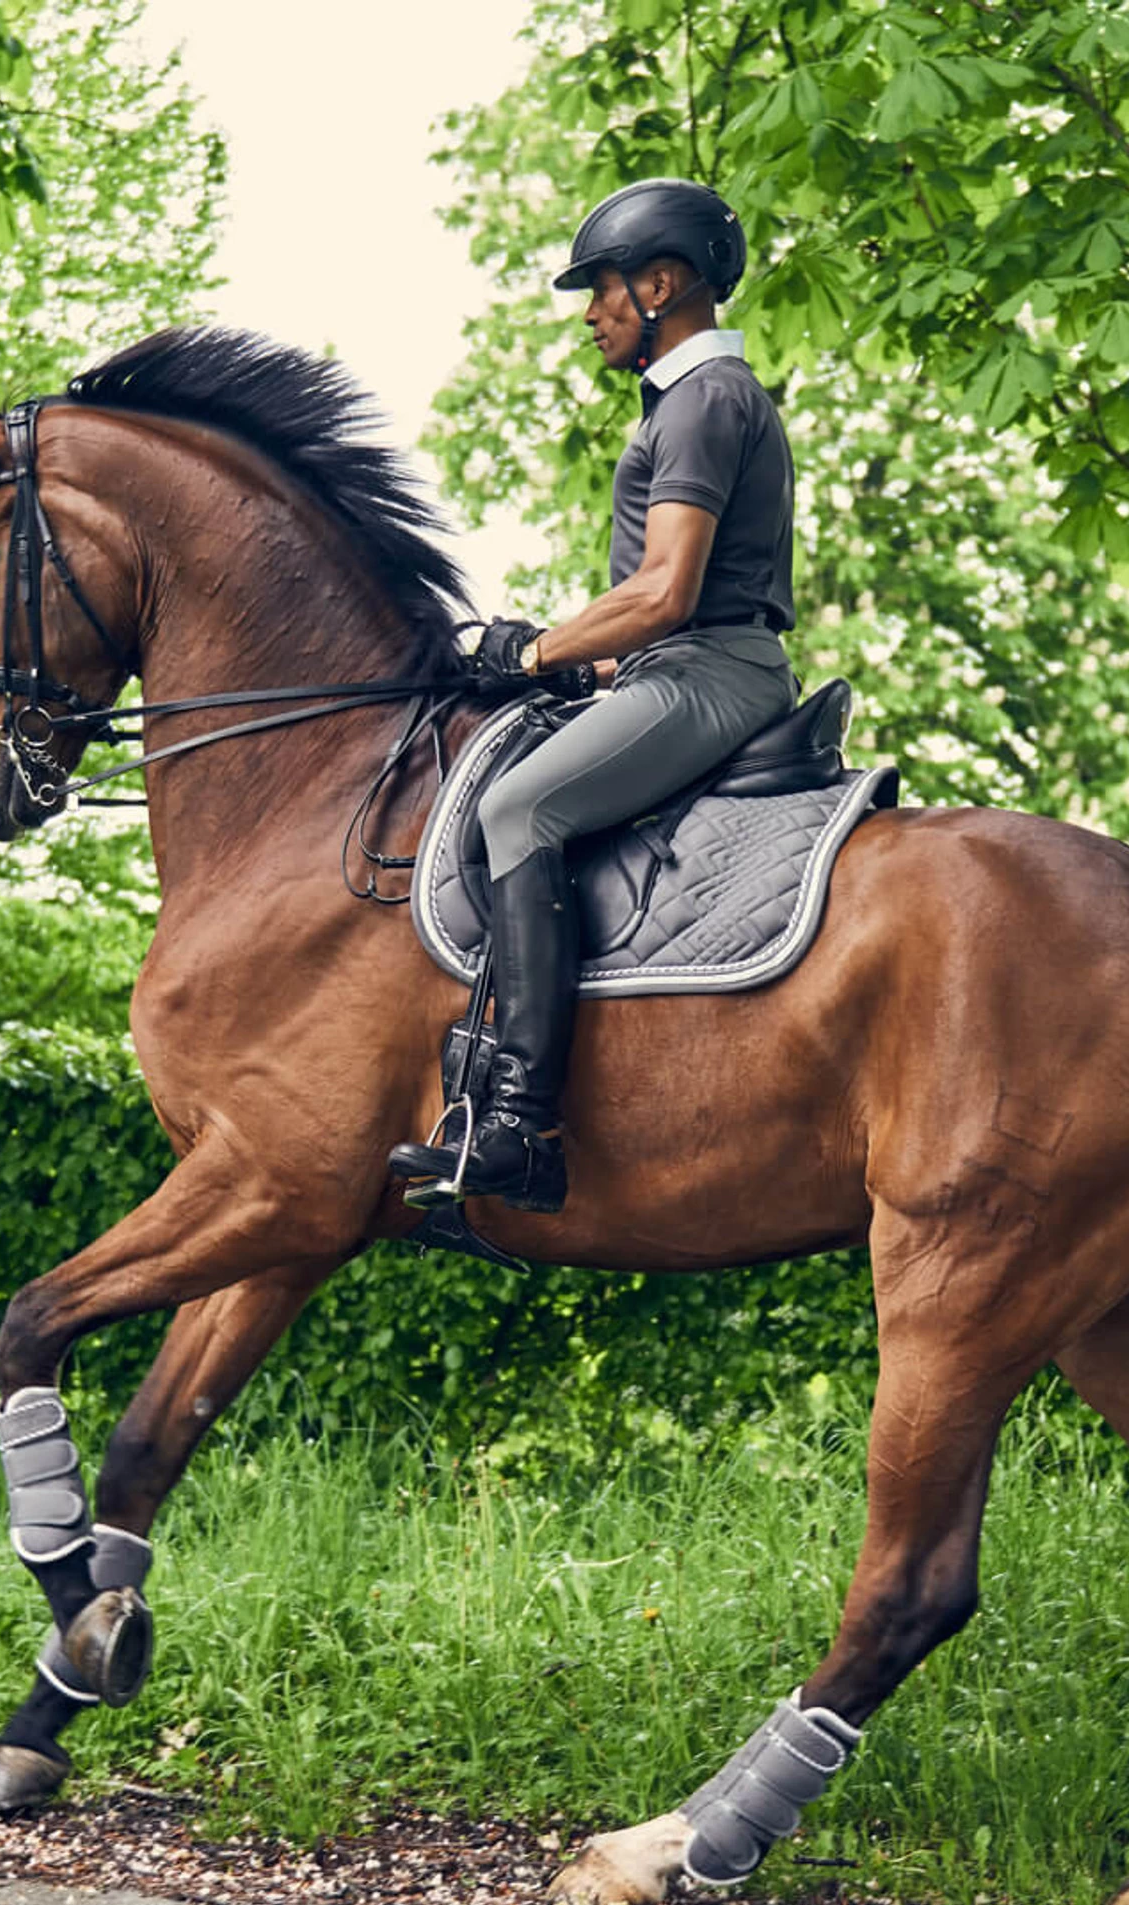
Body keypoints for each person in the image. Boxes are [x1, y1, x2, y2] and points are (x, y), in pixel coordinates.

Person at [390, 178, 800, 1216]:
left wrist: (531, 651)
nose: (589, 313)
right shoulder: (689, 401)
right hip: (677, 667)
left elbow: (663, 593)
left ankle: (521, 1124)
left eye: (602, 290)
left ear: (660, 284)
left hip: (712, 673)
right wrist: (574, 658)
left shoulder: (705, 400)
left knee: (520, 806)